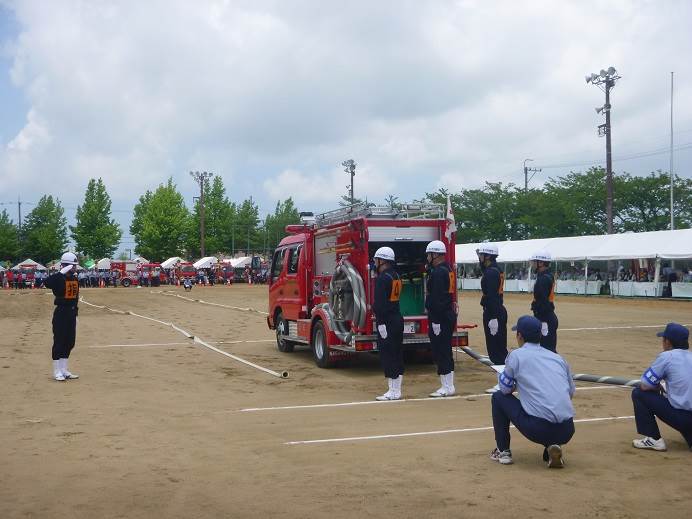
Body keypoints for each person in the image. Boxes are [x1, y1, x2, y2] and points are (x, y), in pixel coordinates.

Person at [489, 315, 576, 468]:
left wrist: (515, 383)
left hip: (537, 428)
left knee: (498, 398)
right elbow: (570, 392)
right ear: (540, 335)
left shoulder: (516, 355)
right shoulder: (557, 358)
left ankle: (503, 451)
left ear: (519, 336)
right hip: (567, 429)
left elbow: (505, 389)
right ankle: (552, 446)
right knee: (547, 405)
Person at [631, 323, 692, 451]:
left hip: (684, 418)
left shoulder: (667, 356)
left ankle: (653, 439)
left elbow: (645, 385)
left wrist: (656, 387)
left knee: (639, 393)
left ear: (668, 342)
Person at [372, 247, 405, 401]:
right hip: (396, 317)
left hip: (387, 320)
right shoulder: (396, 275)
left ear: (382, 260)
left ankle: (393, 390)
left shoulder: (382, 278)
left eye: (376, 259)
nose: (374, 262)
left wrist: (381, 323)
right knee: (397, 353)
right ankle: (396, 388)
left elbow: (379, 304)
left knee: (388, 354)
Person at [425, 240, 457, 397]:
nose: (427, 258)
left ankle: (447, 385)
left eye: (429, 255)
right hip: (447, 314)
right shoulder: (448, 269)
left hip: (441, 316)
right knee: (445, 350)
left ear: (435, 254)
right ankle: (448, 384)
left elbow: (437, 299)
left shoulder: (438, 272)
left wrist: (436, 321)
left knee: (441, 350)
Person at [44, 252, 81, 381]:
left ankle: (64, 369)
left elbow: (75, 297)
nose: (75, 268)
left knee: (70, 341)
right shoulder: (59, 279)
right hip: (61, 312)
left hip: (71, 313)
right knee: (59, 341)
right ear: (66, 265)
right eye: (73, 266)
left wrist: (75, 313)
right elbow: (47, 282)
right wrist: (60, 273)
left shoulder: (74, 278)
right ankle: (56, 371)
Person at [477, 243, 508, 392]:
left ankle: (502, 382)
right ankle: (503, 381)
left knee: (496, 350)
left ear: (487, 256)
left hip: (493, 312)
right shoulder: (494, 269)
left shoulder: (491, 273)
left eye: (481, 255)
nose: (479, 258)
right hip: (495, 310)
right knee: (497, 348)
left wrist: (494, 317)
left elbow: (493, 296)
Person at [530, 250, 559, 353]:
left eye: (534, 262)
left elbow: (542, 302)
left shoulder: (543, 279)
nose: (532, 265)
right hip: (547, 316)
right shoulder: (547, 276)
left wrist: (540, 319)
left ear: (541, 263)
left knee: (547, 349)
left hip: (545, 318)